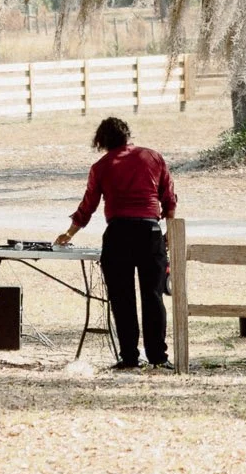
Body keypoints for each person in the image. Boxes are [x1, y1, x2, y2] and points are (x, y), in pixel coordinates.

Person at [55, 116, 176, 370]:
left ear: (102, 141)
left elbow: (88, 205)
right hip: (149, 231)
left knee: (122, 299)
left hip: (118, 233)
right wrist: (170, 231)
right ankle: (158, 356)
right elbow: (169, 197)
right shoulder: (154, 157)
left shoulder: (101, 166)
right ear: (127, 135)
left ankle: (129, 356)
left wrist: (69, 233)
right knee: (153, 297)